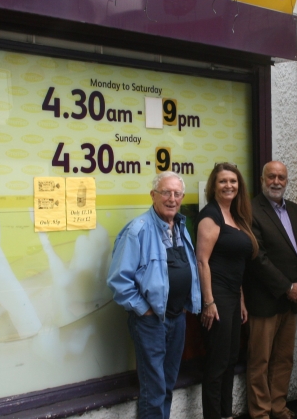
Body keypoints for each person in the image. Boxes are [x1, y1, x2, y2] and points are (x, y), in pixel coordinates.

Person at [106, 171, 201, 419]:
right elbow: (119, 280)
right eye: (165, 192)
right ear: (153, 195)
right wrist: (144, 310)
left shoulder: (180, 226)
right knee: (154, 388)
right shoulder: (138, 230)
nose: (172, 198)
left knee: (168, 383)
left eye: (177, 193)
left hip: (177, 318)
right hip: (150, 321)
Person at [244, 161, 297, 419]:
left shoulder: (296, 211)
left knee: (284, 358)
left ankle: (278, 406)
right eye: (271, 176)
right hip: (265, 299)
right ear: (262, 179)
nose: (276, 181)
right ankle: (261, 412)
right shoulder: (251, 210)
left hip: (292, 300)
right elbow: (257, 257)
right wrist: (287, 287)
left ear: (287, 181)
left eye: (281, 177)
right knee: (260, 361)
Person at [196, 163, 259, 419]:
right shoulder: (211, 216)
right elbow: (202, 261)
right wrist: (209, 302)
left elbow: (238, 263)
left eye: (233, 181)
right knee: (217, 363)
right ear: (214, 185)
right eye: (223, 181)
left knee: (231, 359)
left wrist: (241, 299)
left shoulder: (237, 215)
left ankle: (225, 414)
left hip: (233, 296)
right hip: (217, 296)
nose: (229, 185)